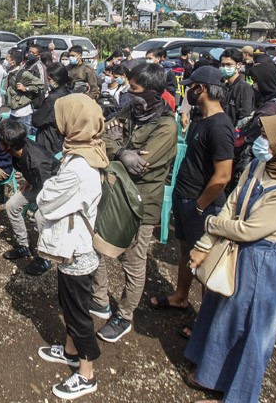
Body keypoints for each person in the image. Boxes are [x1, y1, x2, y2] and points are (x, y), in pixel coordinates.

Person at [186, 115, 276, 403]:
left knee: (246, 327)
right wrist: (205, 243)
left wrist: (211, 224)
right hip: (234, 250)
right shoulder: (260, 165)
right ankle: (210, 375)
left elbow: (248, 230)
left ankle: (235, 395)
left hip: (259, 262)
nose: (261, 142)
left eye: (269, 138)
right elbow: (233, 202)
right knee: (222, 315)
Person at [92, 62, 177, 342]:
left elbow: (140, 167)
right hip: (114, 193)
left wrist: (119, 149)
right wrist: (121, 151)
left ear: (153, 92)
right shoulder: (130, 111)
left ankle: (125, 315)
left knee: (133, 260)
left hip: (141, 203)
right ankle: (100, 299)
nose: (130, 92)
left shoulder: (166, 127)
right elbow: (103, 137)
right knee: (97, 245)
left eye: (136, 89)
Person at [35, 93, 107, 400]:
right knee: (68, 305)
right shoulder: (89, 149)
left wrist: (46, 187)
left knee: (78, 315)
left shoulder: (78, 166)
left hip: (77, 252)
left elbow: (46, 201)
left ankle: (86, 373)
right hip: (75, 247)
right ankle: (69, 351)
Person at [149, 67, 234, 325]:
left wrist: (200, 205)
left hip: (201, 204)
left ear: (202, 89)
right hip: (185, 197)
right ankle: (180, 297)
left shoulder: (219, 126)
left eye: (191, 87)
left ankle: (205, 324)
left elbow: (223, 176)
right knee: (186, 252)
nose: (187, 91)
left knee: (205, 262)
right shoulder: (200, 119)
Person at [0, 119, 60, 275]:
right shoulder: (18, 150)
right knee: (12, 205)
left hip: (53, 187)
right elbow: (27, 168)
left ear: (8, 145)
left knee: (40, 217)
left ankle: (45, 257)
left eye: (0, 141)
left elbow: (49, 188)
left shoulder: (37, 161)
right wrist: (29, 180)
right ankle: (23, 245)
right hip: (38, 182)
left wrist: (41, 204)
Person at [33, 63, 73, 156]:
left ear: (57, 79)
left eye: (50, 79)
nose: (48, 81)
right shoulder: (69, 93)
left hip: (49, 141)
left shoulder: (53, 98)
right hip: (63, 139)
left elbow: (37, 121)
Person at [5, 48, 44, 133]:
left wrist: (26, 88)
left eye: (7, 59)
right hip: (14, 111)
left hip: (23, 113)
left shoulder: (23, 73)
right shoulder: (10, 72)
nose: (5, 61)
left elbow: (40, 84)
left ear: (13, 62)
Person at [219, 48, 256, 126]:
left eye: (228, 64)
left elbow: (245, 116)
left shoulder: (244, 88)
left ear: (238, 65)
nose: (225, 68)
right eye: (223, 65)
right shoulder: (223, 86)